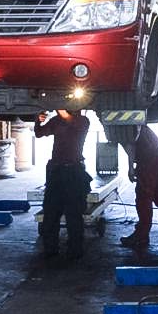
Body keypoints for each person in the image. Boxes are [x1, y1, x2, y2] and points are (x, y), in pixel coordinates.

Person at [35, 109, 91, 259]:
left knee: (74, 214)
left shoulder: (83, 121)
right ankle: (50, 249)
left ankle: (75, 250)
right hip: (57, 172)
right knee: (50, 212)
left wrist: (57, 105)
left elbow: (69, 119)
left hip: (74, 173)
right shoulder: (56, 120)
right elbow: (39, 133)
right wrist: (38, 120)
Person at [119, 125, 158, 249]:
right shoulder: (137, 123)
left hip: (148, 161)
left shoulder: (122, 124)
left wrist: (131, 168)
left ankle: (141, 236)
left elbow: (130, 145)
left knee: (143, 198)